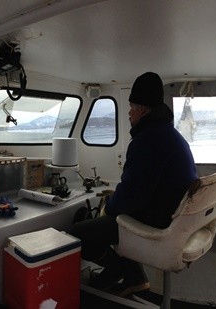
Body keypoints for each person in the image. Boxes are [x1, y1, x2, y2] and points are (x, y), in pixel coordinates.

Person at [69, 72, 198, 297]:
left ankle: (118, 269)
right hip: (170, 216)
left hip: (157, 223)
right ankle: (134, 278)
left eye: (131, 107)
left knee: (76, 234)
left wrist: (108, 208)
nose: (129, 113)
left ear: (141, 109)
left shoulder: (148, 139)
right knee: (104, 217)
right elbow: (139, 189)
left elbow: (132, 198)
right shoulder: (169, 134)